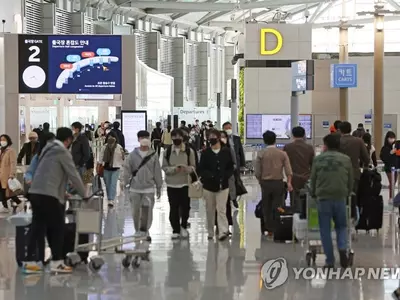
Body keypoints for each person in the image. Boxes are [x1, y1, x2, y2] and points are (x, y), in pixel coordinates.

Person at [24, 127, 86, 274]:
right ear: (69, 140)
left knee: (37, 227)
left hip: (36, 194)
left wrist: (61, 192)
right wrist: (85, 194)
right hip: (48, 196)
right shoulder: (62, 151)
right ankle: (56, 262)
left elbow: (50, 174)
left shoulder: (46, 150)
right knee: (57, 227)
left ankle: (29, 263)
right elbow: (73, 174)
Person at [310, 134, 353, 268]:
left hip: (323, 197)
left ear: (325, 145)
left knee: (325, 229)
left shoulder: (318, 159)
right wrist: (347, 193)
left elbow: (313, 179)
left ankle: (330, 260)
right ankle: (342, 248)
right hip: (340, 196)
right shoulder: (346, 159)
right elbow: (350, 181)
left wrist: (313, 193)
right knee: (341, 226)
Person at [124, 130, 162, 241]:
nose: (144, 139)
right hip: (135, 188)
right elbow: (127, 170)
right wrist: (123, 182)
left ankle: (145, 229)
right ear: (138, 140)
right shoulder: (132, 155)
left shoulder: (153, 155)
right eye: (142, 137)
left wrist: (159, 186)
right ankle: (137, 230)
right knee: (135, 211)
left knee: (148, 211)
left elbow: (157, 171)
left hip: (149, 188)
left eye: (146, 137)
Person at [254, 130, 293, 237]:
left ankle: (269, 228)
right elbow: (289, 171)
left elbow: (257, 172)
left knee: (266, 205)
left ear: (264, 140)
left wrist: (260, 180)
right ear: (275, 140)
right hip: (278, 183)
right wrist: (289, 183)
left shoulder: (261, 153)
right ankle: (278, 227)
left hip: (265, 183)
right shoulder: (282, 153)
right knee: (278, 205)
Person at [198, 129, 234, 241]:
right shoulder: (206, 153)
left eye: (213, 136)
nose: (211, 138)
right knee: (210, 209)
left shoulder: (226, 152)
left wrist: (225, 175)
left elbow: (230, 167)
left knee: (221, 209)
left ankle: (223, 230)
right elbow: (201, 169)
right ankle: (210, 231)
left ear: (218, 137)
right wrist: (209, 176)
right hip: (209, 186)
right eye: (209, 136)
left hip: (223, 186)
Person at [162, 128, 196, 240]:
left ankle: (183, 225)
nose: (177, 139)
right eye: (174, 137)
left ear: (183, 138)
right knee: (173, 207)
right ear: (171, 138)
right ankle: (175, 229)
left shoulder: (188, 151)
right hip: (171, 184)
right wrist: (174, 170)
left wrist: (187, 169)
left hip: (185, 183)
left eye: (179, 137)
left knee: (185, 207)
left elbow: (193, 167)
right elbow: (164, 167)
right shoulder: (167, 152)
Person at [283, 126, 315, 212]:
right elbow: (313, 164)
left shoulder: (287, 147)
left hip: (293, 178)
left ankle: (295, 218)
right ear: (304, 134)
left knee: (294, 201)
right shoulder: (309, 147)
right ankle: (305, 217)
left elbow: (285, 164)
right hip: (306, 177)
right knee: (306, 200)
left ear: (292, 135)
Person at [338, 121, 369, 197]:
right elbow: (366, 158)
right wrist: (365, 167)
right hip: (354, 173)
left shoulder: (337, 141)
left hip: (339, 173)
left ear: (340, 130)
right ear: (350, 129)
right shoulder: (358, 141)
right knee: (353, 198)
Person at [215, 130, 235, 232]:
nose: (222, 139)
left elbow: (233, 165)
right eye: (221, 136)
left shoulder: (228, 150)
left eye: (224, 137)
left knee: (226, 203)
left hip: (226, 181)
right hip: (214, 182)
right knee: (216, 204)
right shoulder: (212, 150)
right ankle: (218, 224)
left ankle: (226, 225)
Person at [98, 131, 125, 207]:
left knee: (113, 183)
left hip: (116, 168)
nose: (110, 138)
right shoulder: (104, 146)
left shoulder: (119, 147)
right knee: (107, 184)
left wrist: (123, 156)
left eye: (112, 137)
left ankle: (111, 199)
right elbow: (101, 156)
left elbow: (122, 159)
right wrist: (99, 165)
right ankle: (109, 197)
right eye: (109, 137)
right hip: (106, 168)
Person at [0, 135, 22, 213]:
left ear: (8, 141)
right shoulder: (2, 151)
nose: (2, 141)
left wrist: (12, 174)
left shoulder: (11, 151)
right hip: (1, 175)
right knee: (4, 191)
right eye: (1, 140)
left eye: (4, 139)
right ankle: (7, 206)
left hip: (7, 175)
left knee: (8, 192)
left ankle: (17, 203)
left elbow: (13, 163)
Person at [380, 131, 398, 198]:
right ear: (387, 138)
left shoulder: (396, 147)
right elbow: (384, 158)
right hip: (389, 168)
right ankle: (391, 198)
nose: (392, 139)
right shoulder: (385, 148)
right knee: (392, 183)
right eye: (390, 138)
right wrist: (390, 153)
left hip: (396, 167)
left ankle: (392, 197)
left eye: (393, 138)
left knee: (393, 183)